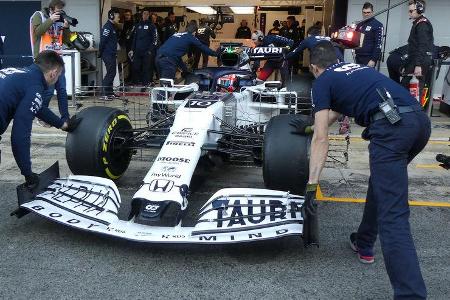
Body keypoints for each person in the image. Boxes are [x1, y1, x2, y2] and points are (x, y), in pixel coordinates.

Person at [290, 41, 429, 299]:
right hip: (419, 123)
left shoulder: (322, 81)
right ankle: (364, 243)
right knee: (382, 186)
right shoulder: (354, 70)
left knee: (393, 216)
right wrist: (310, 126)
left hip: (391, 131)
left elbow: (322, 138)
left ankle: (411, 295)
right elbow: (332, 115)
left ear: (314, 67)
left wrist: (311, 185)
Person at [0, 51, 80, 189]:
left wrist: (62, 124)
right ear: (53, 73)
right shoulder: (34, 87)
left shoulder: (21, 74)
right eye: (58, 76)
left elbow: (38, 107)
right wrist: (27, 173)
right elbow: (20, 135)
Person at [30, 0, 72, 126]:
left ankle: (66, 118)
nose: (60, 11)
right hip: (44, 61)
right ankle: (42, 116)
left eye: (61, 9)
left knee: (62, 90)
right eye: (58, 9)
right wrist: (51, 20)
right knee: (48, 91)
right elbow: (37, 32)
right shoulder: (39, 15)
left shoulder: (60, 18)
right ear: (52, 8)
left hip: (58, 59)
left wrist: (66, 28)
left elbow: (66, 40)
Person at [401, 0, 434, 99]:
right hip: (415, 61)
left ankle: (415, 113)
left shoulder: (422, 25)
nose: (409, 13)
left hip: (419, 62)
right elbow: (414, 46)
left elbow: (422, 45)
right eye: (409, 11)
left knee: (414, 93)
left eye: (411, 11)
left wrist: (418, 65)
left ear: (419, 10)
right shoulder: (418, 23)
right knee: (407, 89)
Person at [128, 9, 158, 87]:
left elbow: (155, 39)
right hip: (137, 51)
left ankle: (146, 84)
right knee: (135, 67)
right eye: (144, 14)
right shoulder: (137, 25)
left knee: (146, 69)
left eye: (147, 14)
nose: (145, 15)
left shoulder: (152, 26)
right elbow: (134, 38)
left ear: (149, 15)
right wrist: (132, 49)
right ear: (142, 15)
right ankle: (136, 83)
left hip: (147, 52)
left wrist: (150, 50)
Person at [99, 8, 121, 100]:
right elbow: (103, 41)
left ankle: (110, 92)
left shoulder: (112, 26)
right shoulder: (107, 27)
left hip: (111, 53)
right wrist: (101, 52)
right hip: (107, 54)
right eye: (118, 16)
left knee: (112, 73)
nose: (119, 18)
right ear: (111, 16)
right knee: (111, 73)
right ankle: (104, 93)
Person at [354, 2, 383, 67]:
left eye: (368, 12)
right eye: (364, 12)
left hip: (369, 58)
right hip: (358, 56)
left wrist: (373, 59)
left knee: (367, 76)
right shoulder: (359, 24)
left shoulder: (377, 25)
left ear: (372, 12)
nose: (366, 14)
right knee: (358, 76)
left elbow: (378, 44)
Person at [119, 10, 136, 83]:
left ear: (131, 15)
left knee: (132, 62)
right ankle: (130, 77)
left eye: (128, 15)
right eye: (126, 15)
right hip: (127, 46)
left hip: (132, 46)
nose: (127, 16)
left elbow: (130, 35)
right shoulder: (125, 24)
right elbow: (123, 35)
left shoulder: (133, 24)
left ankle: (133, 77)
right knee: (129, 62)